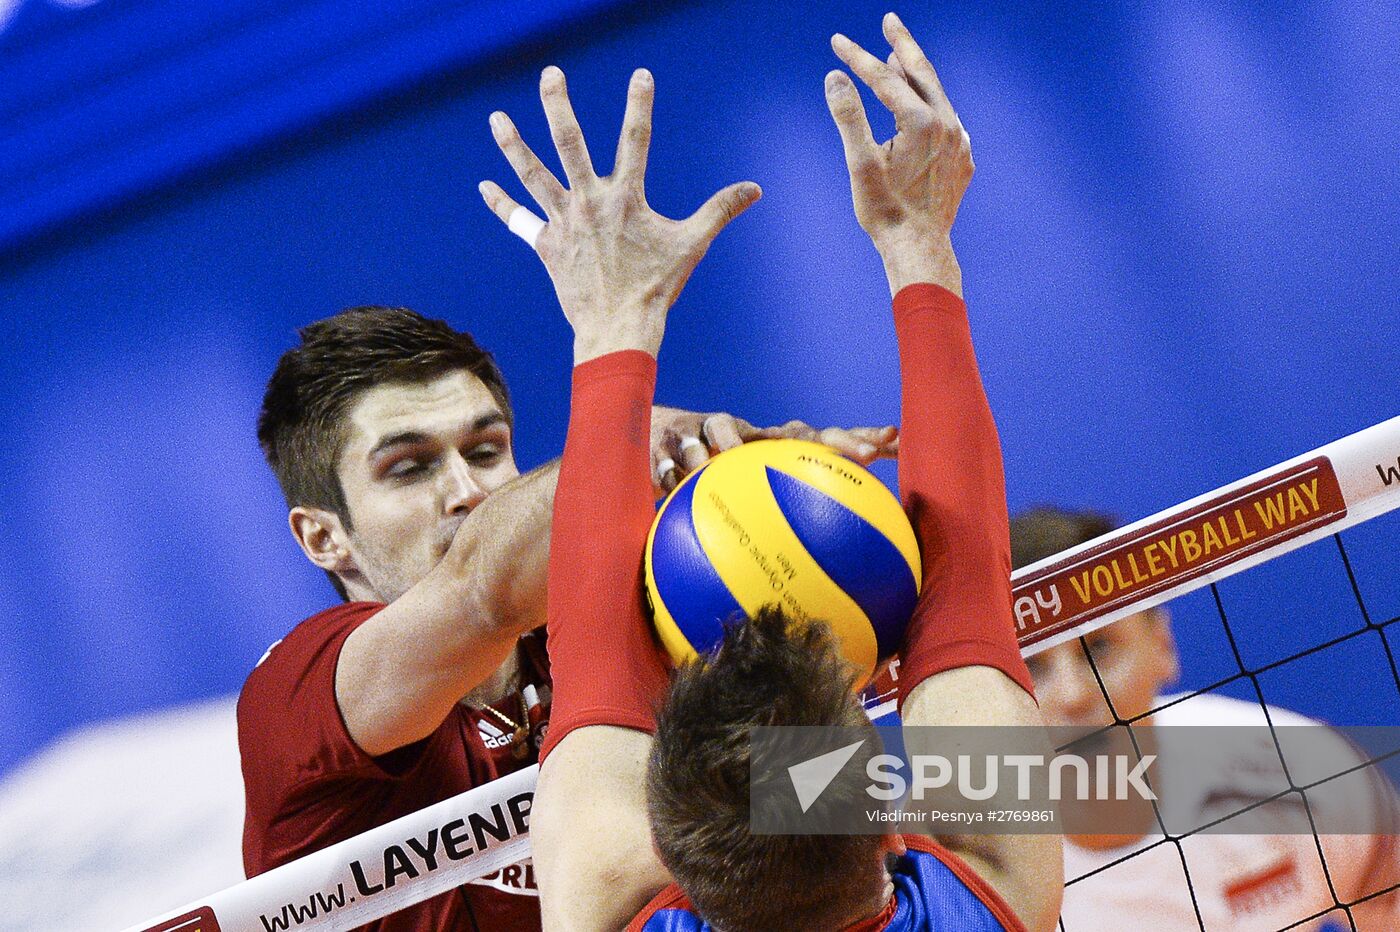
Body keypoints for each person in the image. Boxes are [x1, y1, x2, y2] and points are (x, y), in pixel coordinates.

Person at [478, 12, 1062, 930]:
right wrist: (918, 243)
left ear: (667, 844)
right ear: (889, 821)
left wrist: (616, 321)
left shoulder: (1004, 899)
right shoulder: (989, 901)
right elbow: (968, 587)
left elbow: (587, 644)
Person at [238, 148, 895, 932]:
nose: (467, 491)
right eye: (409, 469)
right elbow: (480, 591)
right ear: (323, 538)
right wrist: (627, 380)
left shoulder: (637, 616)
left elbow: (835, 811)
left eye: (485, 451)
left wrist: (801, 571)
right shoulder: (298, 701)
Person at [1012, 506, 1400, 931]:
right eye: (1030, 666)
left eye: (1099, 648)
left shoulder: (1303, 772)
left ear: (1162, 644)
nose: (1074, 696)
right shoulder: (961, 871)